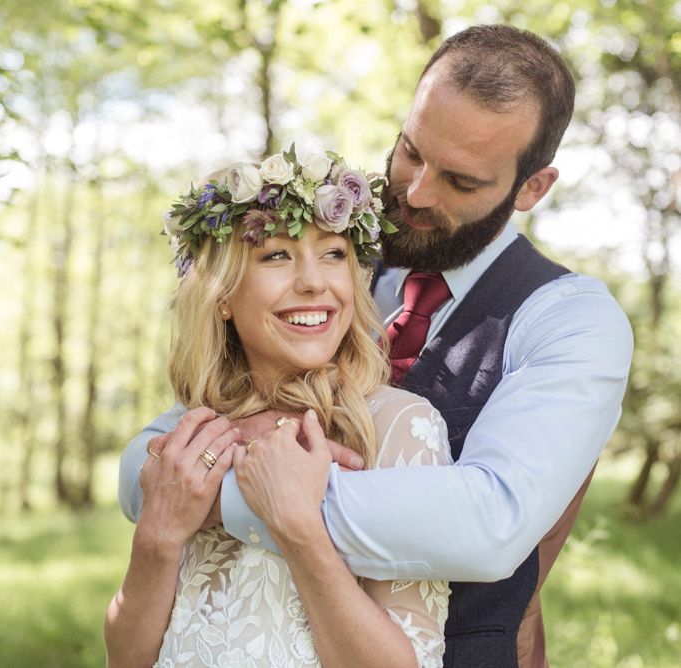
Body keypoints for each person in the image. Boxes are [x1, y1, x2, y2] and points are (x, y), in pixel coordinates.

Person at [119, 25, 634, 667]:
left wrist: (241, 490)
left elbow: (488, 526)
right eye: (411, 151)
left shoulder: (571, 319)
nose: (416, 193)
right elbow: (146, 462)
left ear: (532, 187)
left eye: (461, 181)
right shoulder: (330, 268)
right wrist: (180, 481)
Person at [105, 149, 455, 668]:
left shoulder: (402, 426)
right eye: (276, 255)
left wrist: (298, 527)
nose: (315, 282)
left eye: (333, 254)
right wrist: (159, 534)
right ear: (221, 294)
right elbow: (126, 660)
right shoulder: (191, 433)